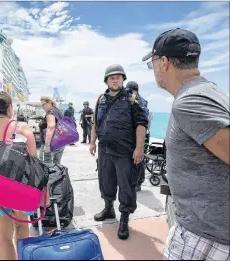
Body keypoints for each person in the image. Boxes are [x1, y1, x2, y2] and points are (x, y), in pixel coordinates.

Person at [142, 28, 230, 259]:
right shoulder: (210, 91)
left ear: (164, 62)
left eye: (152, 64)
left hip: (204, 236)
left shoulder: (190, 101)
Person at [0, 91, 39, 260]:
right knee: (21, 229)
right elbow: (34, 161)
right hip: (18, 188)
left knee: (3, 238)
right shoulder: (21, 128)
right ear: (10, 108)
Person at [89, 64, 149, 240]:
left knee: (126, 186)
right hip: (105, 150)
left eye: (118, 77)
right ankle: (109, 208)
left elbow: (141, 125)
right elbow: (96, 124)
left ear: (123, 79)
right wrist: (92, 142)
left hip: (125, 151)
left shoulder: (132, 99)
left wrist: (139, 148)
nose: (115, 80)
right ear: (106, 80)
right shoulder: (101, 99)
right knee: (105, 181)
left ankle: (124, 218)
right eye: (111, 77)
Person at [125, 81, 152, 192]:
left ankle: (137, 183)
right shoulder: (143, 101)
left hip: (136, 134)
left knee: (135, 159)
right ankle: (138, 181)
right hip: (145, 133)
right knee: (139, 158)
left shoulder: (134, 100)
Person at [39, 96, 65, 164]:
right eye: (41, 105)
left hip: (50, 144)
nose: (43, 107)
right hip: (60, 143)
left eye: (44, 104)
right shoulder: (58, 111)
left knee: (44, 166)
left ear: (50, 102)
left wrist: (47, 145)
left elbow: (51, 126)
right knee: (56, 165)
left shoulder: (50, 112)